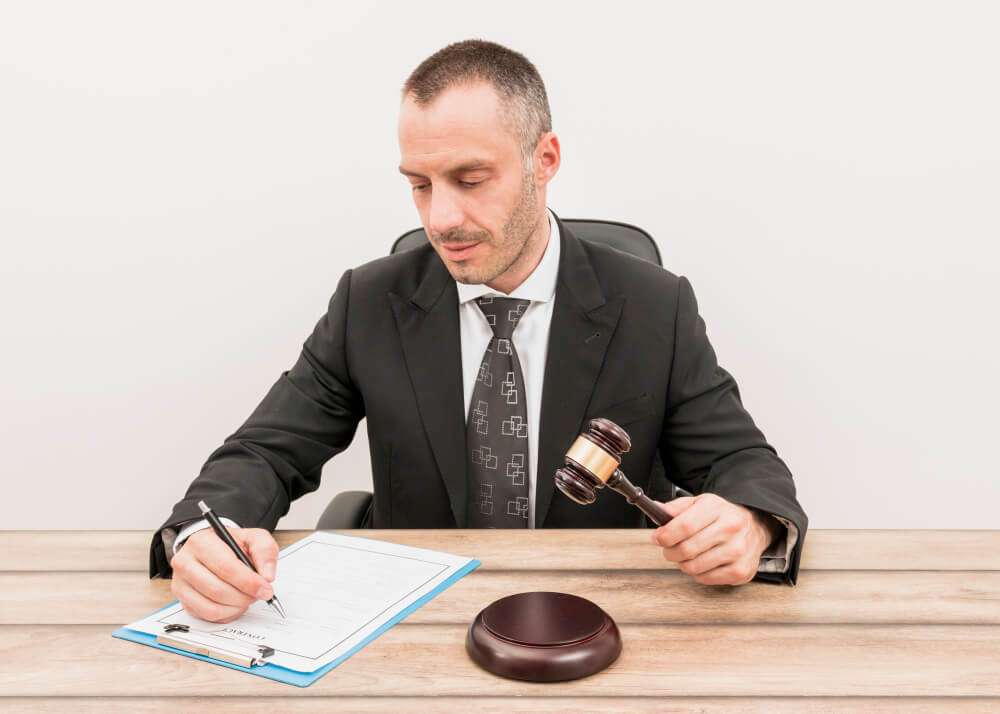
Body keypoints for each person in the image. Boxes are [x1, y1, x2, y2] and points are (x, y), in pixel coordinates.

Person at [151, 39, 808, 624]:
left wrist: (749, 521)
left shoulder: (652, 306)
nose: (441, 219)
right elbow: (266, 453)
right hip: (415, 615)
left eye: (470, 180)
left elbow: (741, 463)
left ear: (543, 159)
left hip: (604, 612)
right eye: (419, 185)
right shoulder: (369, 301)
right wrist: (204, 537)